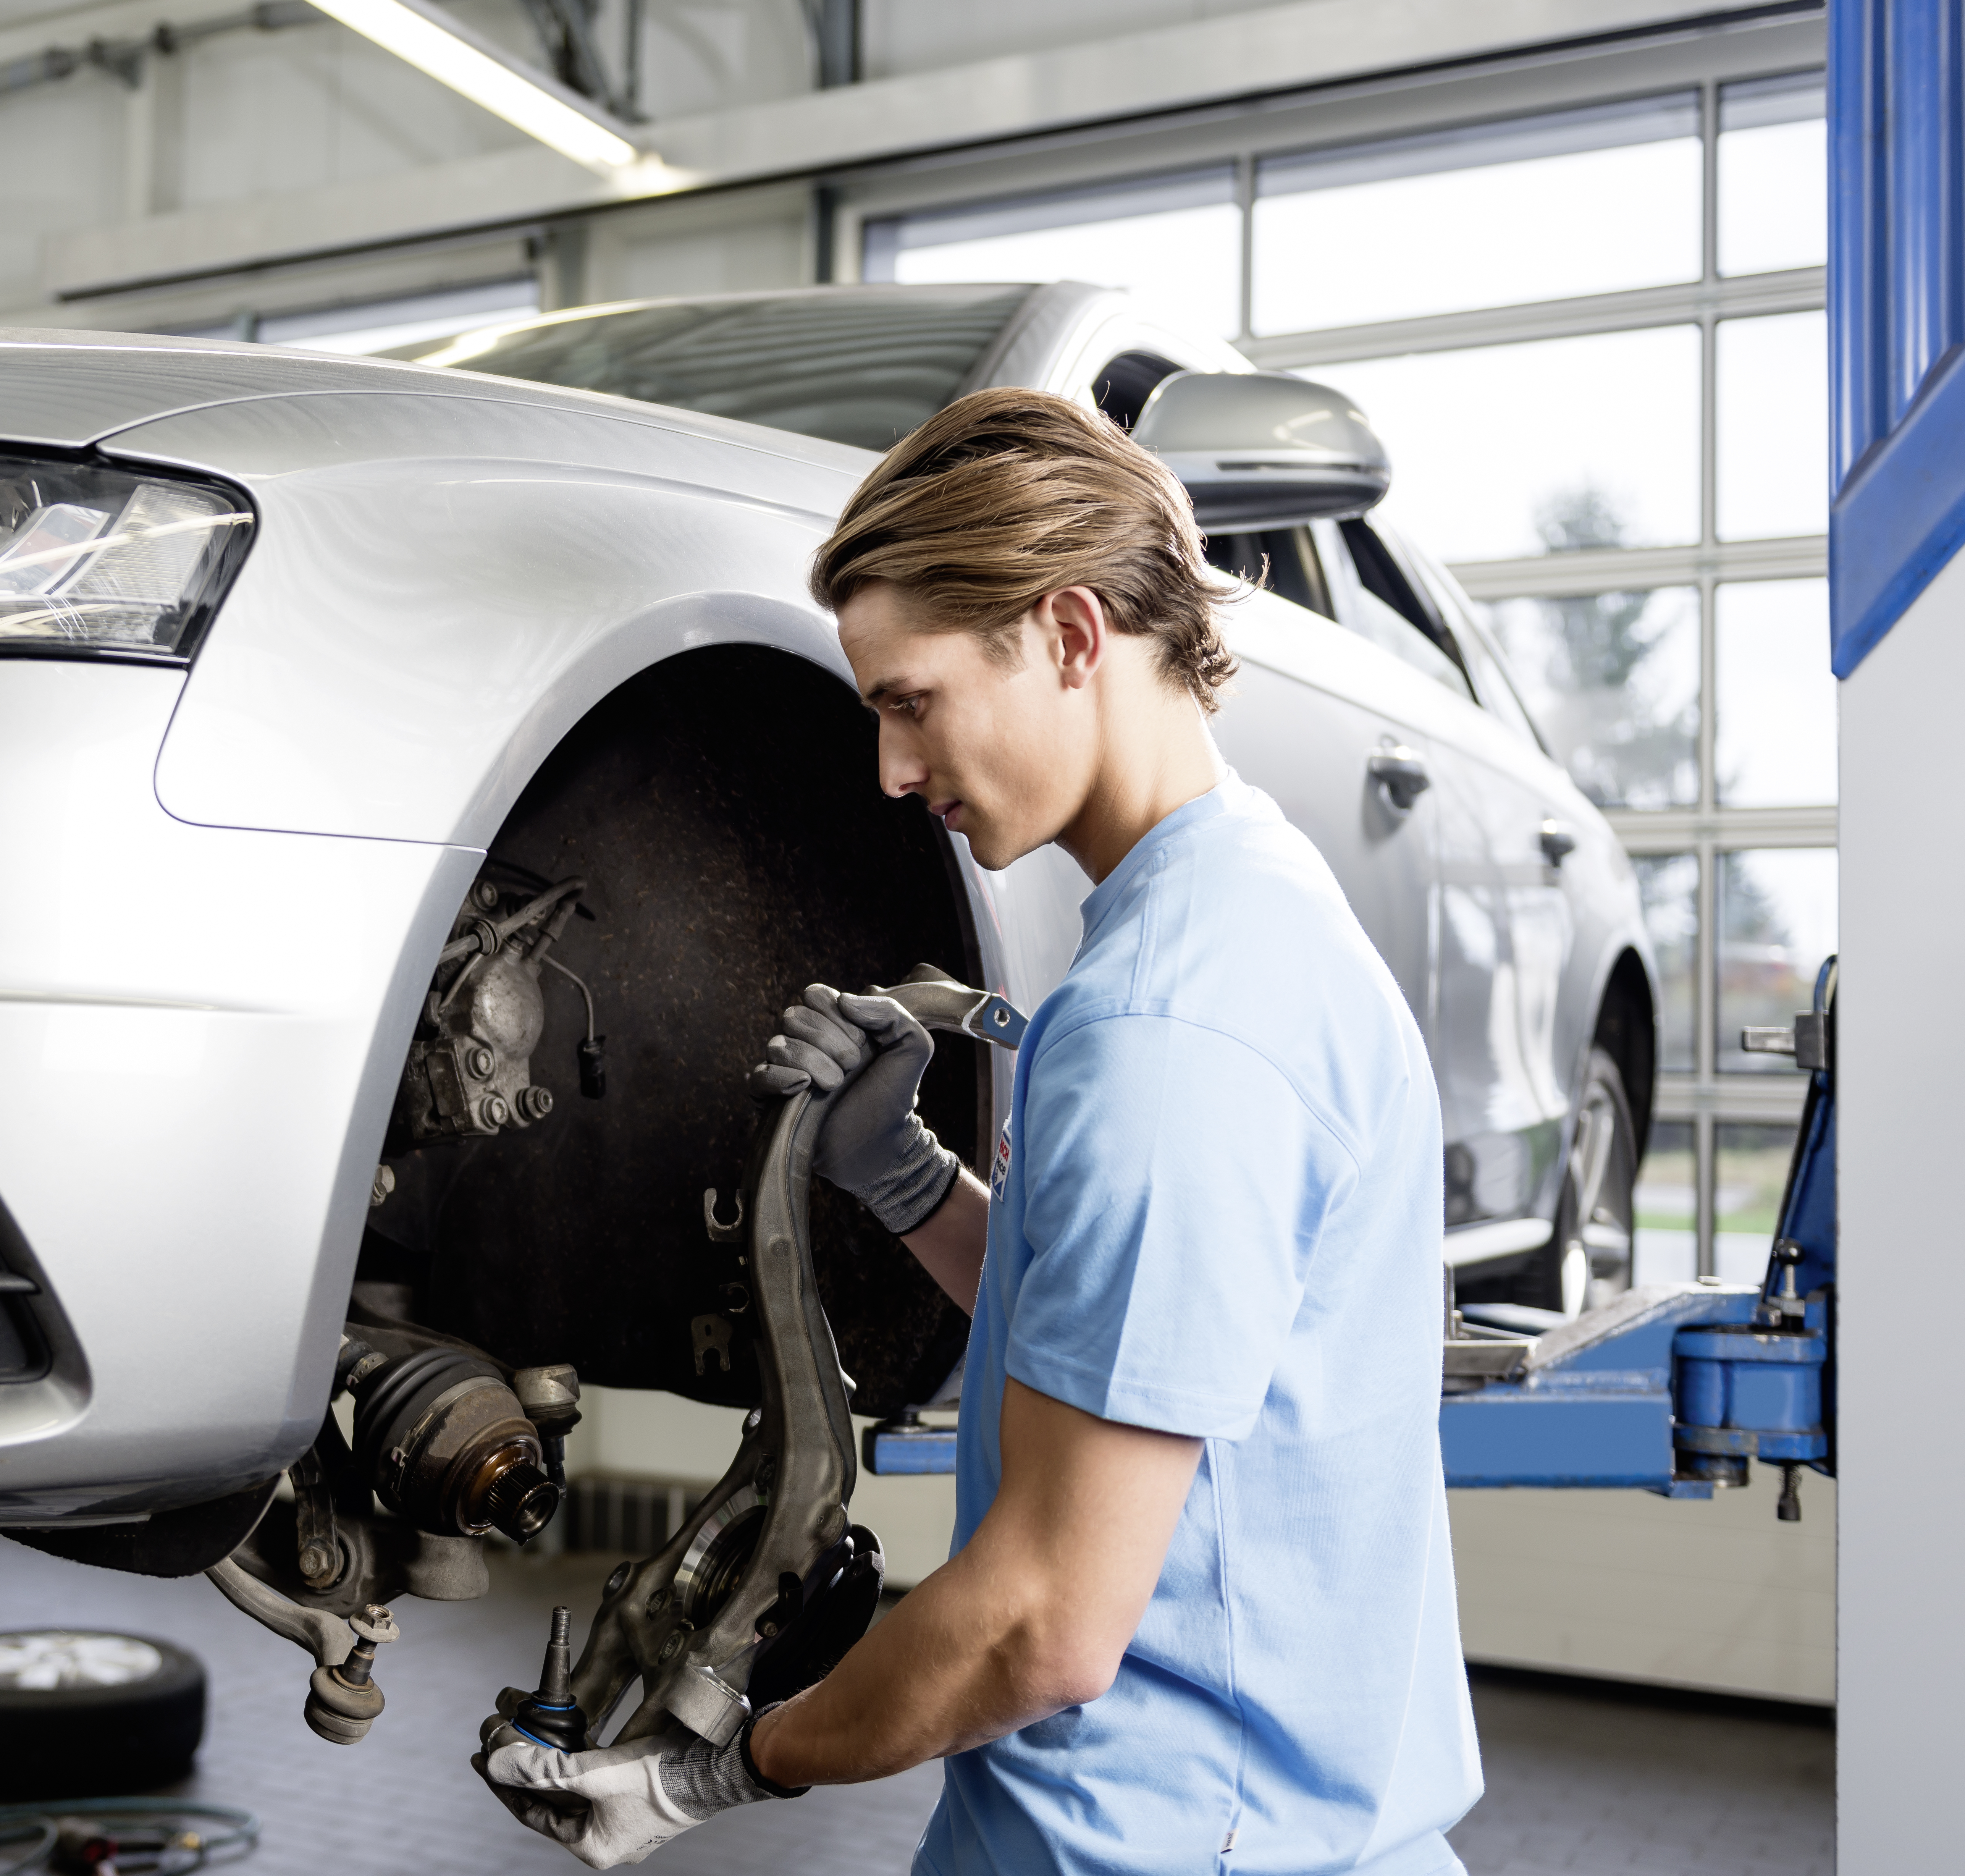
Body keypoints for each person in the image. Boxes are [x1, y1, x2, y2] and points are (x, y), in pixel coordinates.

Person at [475, 387, 1481, 1873]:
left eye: (908, 699)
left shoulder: (1170, 1031)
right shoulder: (1241, 915)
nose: (887, 768)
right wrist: (906, 1178)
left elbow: (1040, 1624)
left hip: (1158, 1843)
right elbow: (1139, 1337)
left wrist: (723, 1768)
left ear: (1070, 635)